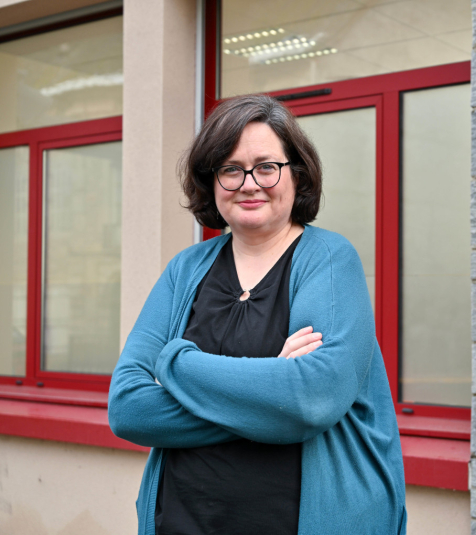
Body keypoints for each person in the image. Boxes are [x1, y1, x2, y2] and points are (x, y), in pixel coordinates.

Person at [108, 94, 407, 535]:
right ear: (212, 181)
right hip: (181, 520)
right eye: (230, 169)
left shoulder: (328, 260)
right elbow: (129, 408)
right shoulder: (185, 270)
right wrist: (269, 397)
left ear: (297, 175)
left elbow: (310, 399)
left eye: (266, 166)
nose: (249, 183)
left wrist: (177, 363)